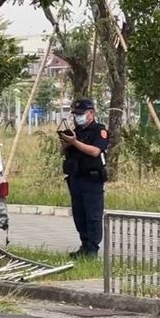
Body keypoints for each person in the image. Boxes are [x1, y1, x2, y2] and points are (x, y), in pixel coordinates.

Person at [59, 99, 108, 259]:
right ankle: (84, 245)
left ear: (91, 113)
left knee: (93, 215)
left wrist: (75, 142)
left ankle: (92, 249)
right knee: (79, 215)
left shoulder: (99, 131)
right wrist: (66, 143)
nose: (77, 117)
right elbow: (62, 153)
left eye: (81, 114)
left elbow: (95, 151)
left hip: (92, 180)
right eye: (75, 114)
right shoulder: (76, 132)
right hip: (76, 179)